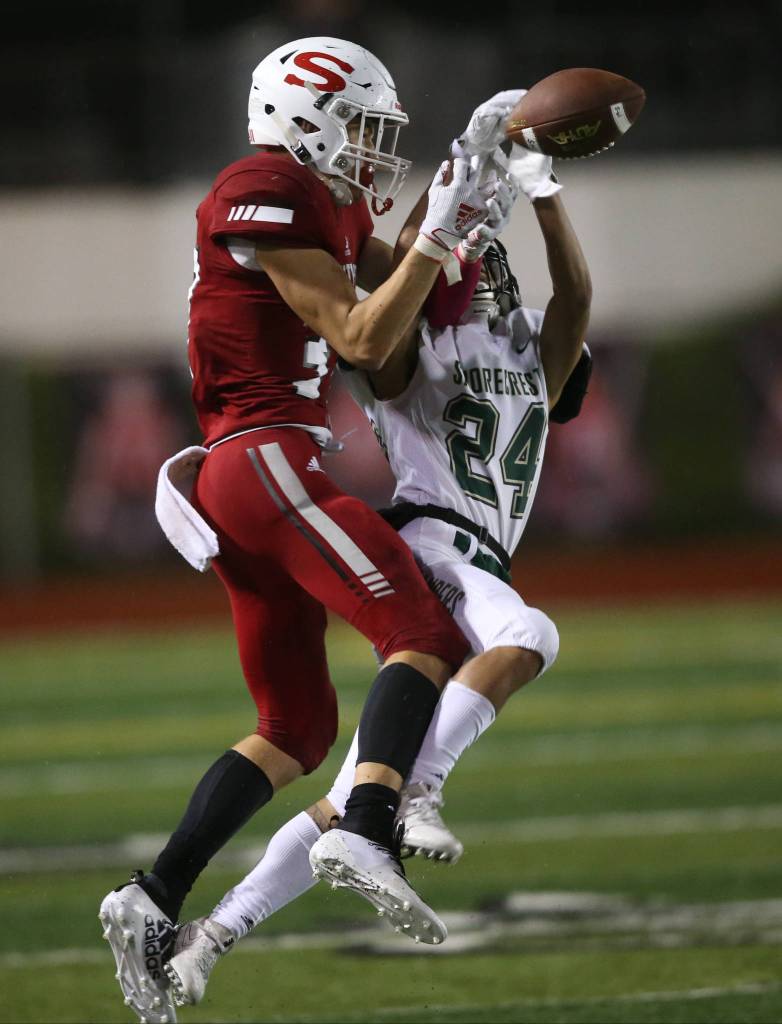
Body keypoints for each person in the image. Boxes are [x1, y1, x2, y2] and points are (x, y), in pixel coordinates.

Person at [99, 36, 502, 1024]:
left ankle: (153, 897)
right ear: (302, 118)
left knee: (297, 726)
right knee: (423, 633)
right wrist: (431, 240)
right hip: (263, 453)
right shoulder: (261, 184)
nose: (373, 150)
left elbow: (411, 315)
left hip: (261, 468)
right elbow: (362, 336)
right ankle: (367, 826)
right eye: (362, 127)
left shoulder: (327, 200)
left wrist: (469, 208)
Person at [162, 92, 593, 1008]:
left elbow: (576, 303)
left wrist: (547, 194)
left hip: (478, 561)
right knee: (534, 638)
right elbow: (379, 322)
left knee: (353, 792)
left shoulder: (532, 370)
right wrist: (450, 213)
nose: (495, 284)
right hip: (436, 545)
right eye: (485, 274)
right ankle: (420, 793)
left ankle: (209, 936)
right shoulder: (417, 354)